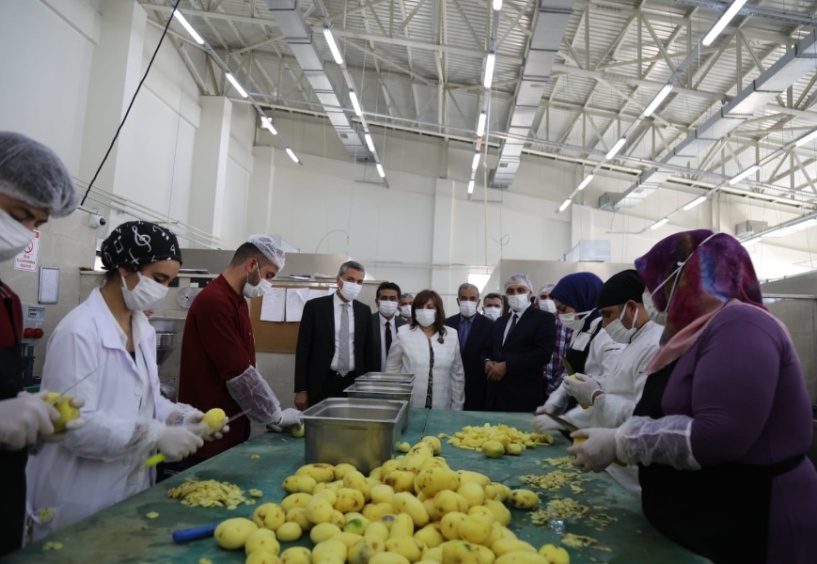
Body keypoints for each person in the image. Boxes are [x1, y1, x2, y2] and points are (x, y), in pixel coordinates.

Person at [568, 230, 817, 563]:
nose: (650, 295)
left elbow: (720, 434)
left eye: (657, 281)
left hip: (756, 517)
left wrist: (621, 442)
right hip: (706, 519)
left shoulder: (740, 324)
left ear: (694, 274)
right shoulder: (688, 336)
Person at [25, 222, 208, 542]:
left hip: (129, 487)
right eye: (159, 279)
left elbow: (145, 398)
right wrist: (157, 435)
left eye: (169, 281)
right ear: (124, 269)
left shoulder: (143, 329)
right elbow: (74, 427)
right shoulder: (79, 332)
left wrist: (183, 418)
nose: (163, 289)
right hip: (77, 494)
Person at [0, 132, 82, 556]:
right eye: (18, 214)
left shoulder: (7, 301)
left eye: (35, 224)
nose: (25, 233)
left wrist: (35, 421)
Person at [178, 234, 299, 465]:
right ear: (252, 265)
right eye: (269, 276)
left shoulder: (237, 300)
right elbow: (238, 372)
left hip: (231, 425)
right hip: (211, 431)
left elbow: (245, 364)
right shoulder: (215, 301)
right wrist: (275, 415)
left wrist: (268, 412)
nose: (269, 284)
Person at [540, 270, 661, 496]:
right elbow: (615, 387)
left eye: (608, 315)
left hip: (631, 472)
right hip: (610, 462)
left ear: (633, 308)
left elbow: (645, 416)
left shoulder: (653, 346)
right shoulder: (635, 340)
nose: (604, 325)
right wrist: (564, 417)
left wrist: (596, 397)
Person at [540, 272, 623, 427]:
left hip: (598, 421)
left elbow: (608, 390)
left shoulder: (609, 336)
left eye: (563, 309)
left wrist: (567, 421)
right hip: (577, 412)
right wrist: (553, 404)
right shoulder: (580, 331)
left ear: (582, 299)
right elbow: (572, 377)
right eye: (558, 310)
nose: (560, 315)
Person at [295, 261, 372, 409]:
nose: (355, 285)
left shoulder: (364, 311)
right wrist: (301, 389)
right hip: (322, 382)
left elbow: (367, 352)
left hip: (353, 383)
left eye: (359, 282)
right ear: (338, 280)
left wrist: (367, 387)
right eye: (350, 280)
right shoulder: (315, 307)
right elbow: (303, 350)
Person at [483, 274, 555, 412]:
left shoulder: (543, 319)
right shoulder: (500, 321)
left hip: (523, 397)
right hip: (495, 395)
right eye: (510, 291)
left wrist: (508, 365)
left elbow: (543, 354)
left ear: (530, 293)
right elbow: (488, 349)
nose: (515, 294)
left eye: (520, 290)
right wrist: (487, 361)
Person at [386, 290, 464, 409]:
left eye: (430, 307)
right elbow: (391, 372)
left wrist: (457, 408)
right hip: (410, 405)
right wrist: (393, 404)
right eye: (420, 307)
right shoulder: (403, 333)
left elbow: (457, 375)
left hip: (442, 406)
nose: (424, 311)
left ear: (438, 310)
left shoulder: (451, 335)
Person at [445, 283, 494, 410]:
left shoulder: (490, 326)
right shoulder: (447, 324)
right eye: (464, 298)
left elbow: (489, 352)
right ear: (458, 300)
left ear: (478, 301)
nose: (468, 302)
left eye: (472, 299)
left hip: (478, 386)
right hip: (450, 383)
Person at [537, 283, 572, 398]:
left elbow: (568, 359)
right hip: (534, 385)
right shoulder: (533, 323)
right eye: (543, 297)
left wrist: (553, 388)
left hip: (558, 385)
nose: (547, 301)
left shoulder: (567, 323)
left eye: (551, 297)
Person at [369, 281, 406, 371]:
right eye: (384, 298)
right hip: (372, 379)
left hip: (397, 380)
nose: (388, 302)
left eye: (393, 298)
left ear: (399, 302)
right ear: (377, 302)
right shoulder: (367, 323)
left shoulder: (405, 327)